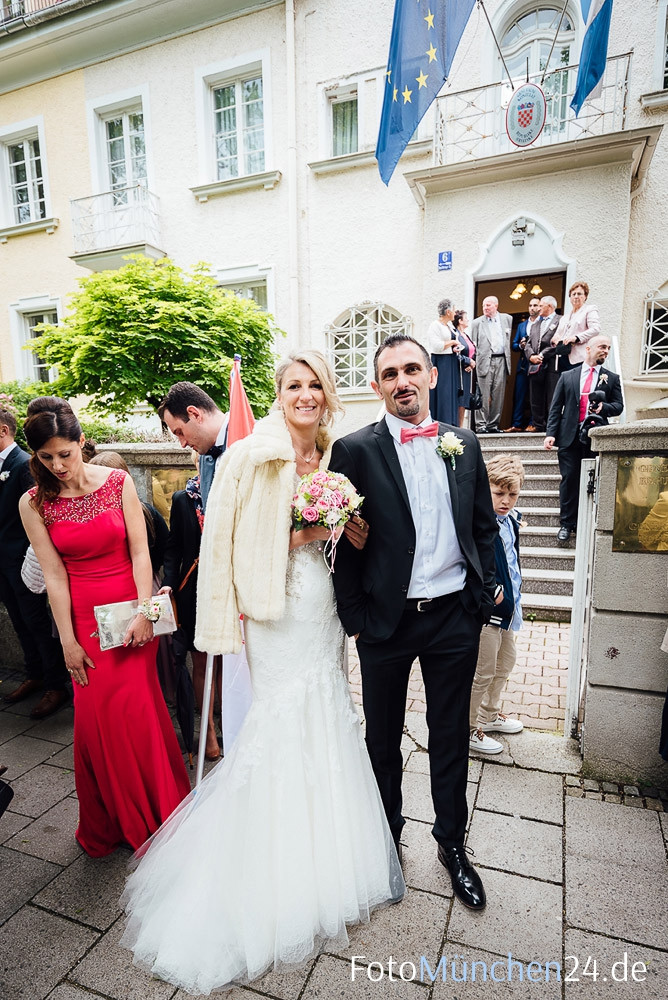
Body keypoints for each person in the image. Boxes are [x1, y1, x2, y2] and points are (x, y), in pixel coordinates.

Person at [120, 350, 404, 995]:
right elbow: (233, 541)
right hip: (277, 614)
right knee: (280, 721)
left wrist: (345, 528)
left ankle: (328, 859)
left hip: (322, 609)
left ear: (329, 396)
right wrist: (310, 532)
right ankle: (263, 868)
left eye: (315, 386)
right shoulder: (254, 453)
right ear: (279, 395)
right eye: (293, 386)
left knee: (326, 715)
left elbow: (334, 534)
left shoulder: (334, 454)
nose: (305, 396)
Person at [329, 334, 497, 911]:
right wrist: (353, 616)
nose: (402, 381)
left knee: (449, 735)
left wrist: (485, 594)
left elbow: (482, 526)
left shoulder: (464, 443)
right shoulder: (354, 450)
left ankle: (452, 844)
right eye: (390, 373)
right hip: (386, 622)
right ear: (377, 386)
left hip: (454, 615)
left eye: (412, 369)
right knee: (382, 738)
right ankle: (386, 841)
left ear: (431, 375)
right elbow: (343, 542)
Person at [19, 397, 191, 856]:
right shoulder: (34, 503)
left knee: (140, 713)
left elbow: (142, 552)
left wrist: (144, 615)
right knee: (98, 726)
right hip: (84, 625)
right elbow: (53, 576)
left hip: (132, 613)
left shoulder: (117, 482)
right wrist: (68, 645)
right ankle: (113, 818)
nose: (57, 464)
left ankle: (160, 809)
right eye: (45, 457)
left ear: (81, 444)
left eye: (65, 453)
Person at [0, 404, 69, 719]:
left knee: (38, 624)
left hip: (25, 563)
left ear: (4, 430)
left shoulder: (22, 465)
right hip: (3, 564)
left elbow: (39, 513)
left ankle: (56, 685)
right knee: (19, 622)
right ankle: (34, 674)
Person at [160, 458, 221, 760]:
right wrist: (169, 583)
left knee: (228, 660)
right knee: (202, 660)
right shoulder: (183, 498)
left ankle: (227, 716)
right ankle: (207, 729)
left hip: (229, 587)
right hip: (194, 589)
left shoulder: (232, 491)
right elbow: (173, 546)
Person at [469, 454, 525, 754]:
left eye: (512, 494)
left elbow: (512, 561)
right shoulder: (479, 522)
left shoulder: (511, 521)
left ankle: (488, 716)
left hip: (507, 610)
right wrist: (490, 591)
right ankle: (467, 728)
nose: (506, 500)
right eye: (499, 493)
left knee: (505, 663)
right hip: (486, 612)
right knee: (483, 671)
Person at [545, 336, 623, 542]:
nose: (605, 351)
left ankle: (586, 522)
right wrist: (551, 434)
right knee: (570, 478)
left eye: (607, 348)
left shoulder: (611, 378)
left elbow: (619, 406)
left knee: (592, 480)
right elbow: (556, 407)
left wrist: (603, 408)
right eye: (602, 347)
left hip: (595, 436)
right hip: (569, 435)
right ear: (588, 348)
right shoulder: (568, 375)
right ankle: (566, 523)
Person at [158, 382, 228, 511]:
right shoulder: (204, 456)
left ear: (195, 414)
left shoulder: (256, 439)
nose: (183, 444)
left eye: (180, 432)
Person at [469, 295, 513, 434]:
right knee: (483, 394)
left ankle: (493, 425)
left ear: (496, 306)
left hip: (501, 360)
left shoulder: (507, 319)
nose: (485, 308)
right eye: (483, 305)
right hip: (484, 361)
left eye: (488, 305)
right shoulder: (477, 323)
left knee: (498, 394)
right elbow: (473, 345)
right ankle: (481, 425)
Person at [524, 295, 562, 433]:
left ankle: (551, 427)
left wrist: (542, 355)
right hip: (535, 365)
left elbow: (557, 342)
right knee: (535, 396)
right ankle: (538, 424)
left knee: (552, 396)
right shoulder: (535, 324)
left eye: (541, 305)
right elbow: (528, 344)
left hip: (552, 364)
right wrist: (531, 356)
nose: (538, 308)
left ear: (550, 306)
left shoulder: (560, 321)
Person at [505, 297, 540, 432]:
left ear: (540, 307)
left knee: (534, 396)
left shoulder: (542, 323)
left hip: (536, 365)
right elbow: (513, 345)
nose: (532, 308)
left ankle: (532, 423)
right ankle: (516, 424)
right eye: (530, 305)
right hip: (523, 365)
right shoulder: (521, 325)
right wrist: (520, 345)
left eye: (535, 305)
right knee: (519, 395)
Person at [426, 298, 462, 425]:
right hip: (441, 363)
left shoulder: (450, 326)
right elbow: (436, 346)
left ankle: (452, 423)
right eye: (453, 310)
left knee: (451, 393)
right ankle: (443, 423)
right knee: (444, 393)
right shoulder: (435, 325)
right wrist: (452, 342)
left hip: (451, 361)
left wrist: (455, 347)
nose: (455, 313)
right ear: (448, 312)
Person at [551, 281, 601, 369]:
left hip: (579, 358)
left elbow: (596, 329)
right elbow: (558, 334)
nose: (576, 296)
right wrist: (554, 340)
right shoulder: (564, 317)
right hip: (562, 357)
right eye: (573, 294)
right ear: (570, 297)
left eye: (579, 294)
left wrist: (576, 338)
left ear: (585, 297)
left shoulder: (589, 309)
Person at [452, 309, 476, 427]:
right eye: (466, 318)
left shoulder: (466, 335)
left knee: (464, 402)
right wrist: (468, 361)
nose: (467, 320)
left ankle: (460, 427)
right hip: (459, 372)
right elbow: (455, 354)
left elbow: (472, 351)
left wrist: (471, 364)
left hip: (467, 371)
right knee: (459, 401)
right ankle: (458, 427)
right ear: (460, 321)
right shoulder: (455, 335)